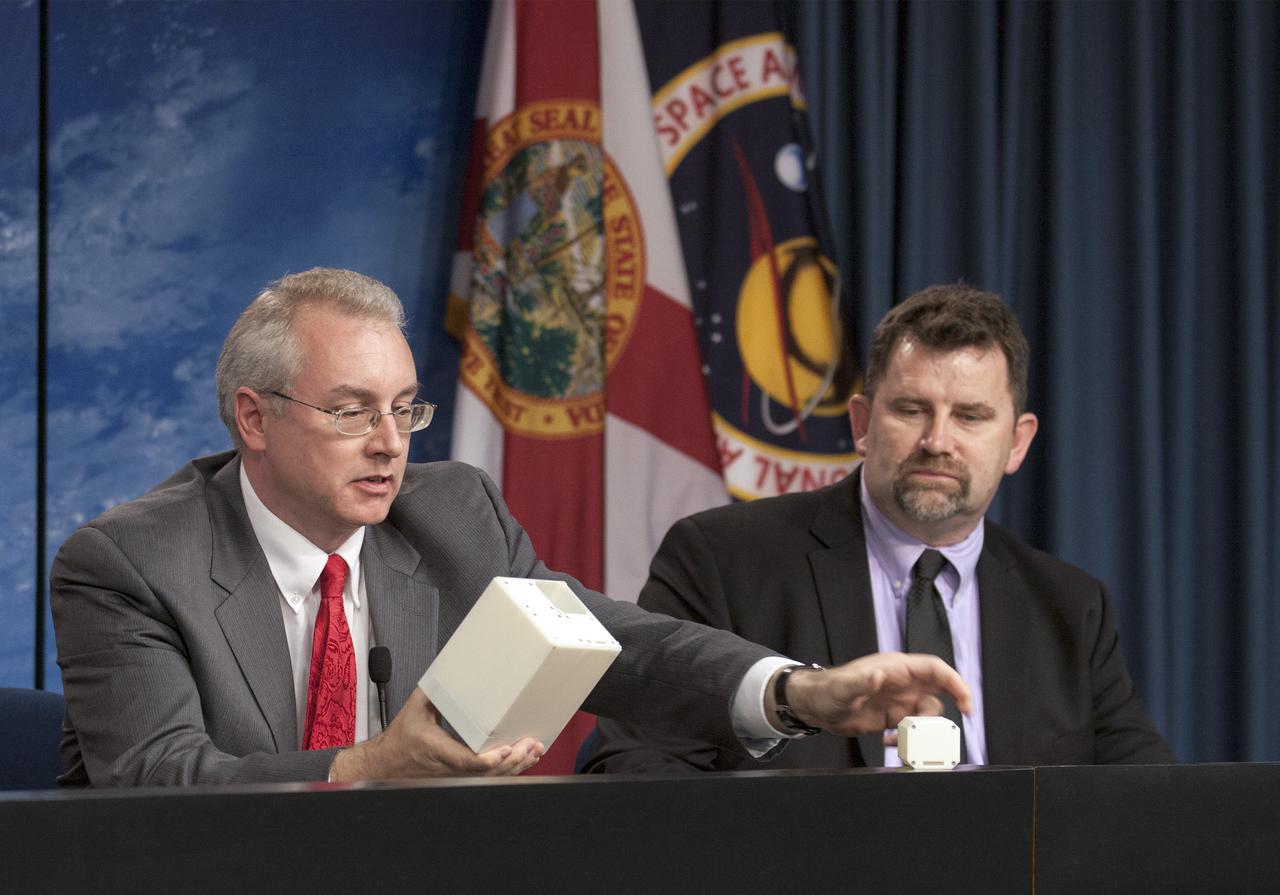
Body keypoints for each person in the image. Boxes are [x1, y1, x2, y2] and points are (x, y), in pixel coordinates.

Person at [50, 268, 971, 787]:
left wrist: (795, 693)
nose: (388, 446)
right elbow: (157, 782)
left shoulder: (452, 513)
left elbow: (616, 647)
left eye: (405, 410)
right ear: (253, 419)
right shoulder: (132, 562)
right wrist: (368, 767)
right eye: (350, 411)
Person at [585, 283, 1175, 774]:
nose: (937, 442)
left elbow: (1152, 804)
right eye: (912, 410)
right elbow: (636, 764)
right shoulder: (724, 561)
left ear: (1017, 442)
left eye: (970, 416)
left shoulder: (1070, 606)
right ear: (864, 423)